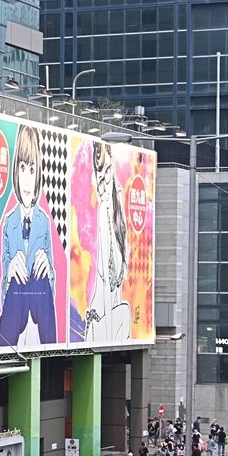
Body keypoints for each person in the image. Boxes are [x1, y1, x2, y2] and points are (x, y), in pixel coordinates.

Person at [0, 124, 58, 346]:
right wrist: (10, 270)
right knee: (16, 277)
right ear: (15, 171)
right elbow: (2, 285)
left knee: (41, 278)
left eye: (32, 169)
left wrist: (47, 268)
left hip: (40, 298)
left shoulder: (44, 222)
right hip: (17, 301)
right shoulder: (9, 223)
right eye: (22, 168)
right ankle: (1, 350)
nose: (27, 180)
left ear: (39, 173)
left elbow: (54, 282)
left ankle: (52, 347)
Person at [86, 141, 131, 341]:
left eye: (106, 175)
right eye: (99, 177)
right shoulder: (102, 216)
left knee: (126, 311)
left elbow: (118, 285)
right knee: (125, 313)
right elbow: (103, 280)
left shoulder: (117, 208)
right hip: (99, 315)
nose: (102, 186)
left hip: (109, 314)